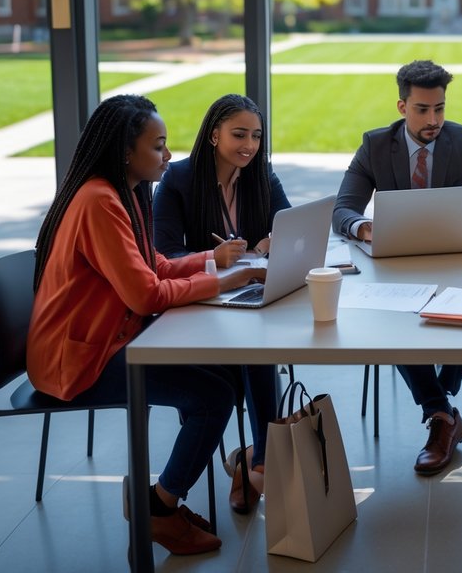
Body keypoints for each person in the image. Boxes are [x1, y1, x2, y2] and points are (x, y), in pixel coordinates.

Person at [27, 95, 267, 556]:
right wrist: (223, 280)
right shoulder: (99, 200)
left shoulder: (124, 192)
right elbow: (146, 294)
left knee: (225, 375)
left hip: (109, 340)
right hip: (79, 361)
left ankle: (161, 502)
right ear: (125, 151)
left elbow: (152, 265)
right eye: (158, 146)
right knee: (212, 396)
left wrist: (212, 265)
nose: (168, 156)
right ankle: (158, 508)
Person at [332, 59, 462, 475]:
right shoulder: (375, 145)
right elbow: (342, 210)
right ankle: (444, 414)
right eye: (423, 109)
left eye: (440, 108)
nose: (434, 120)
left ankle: (439, 408)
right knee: (396, 326)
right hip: (397, 268)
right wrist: (363, 227)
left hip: (456, 264)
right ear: (401, 106)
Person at [153, 93, 291, 514]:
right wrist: (215, 258)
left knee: (258, 343)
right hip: (195, 305)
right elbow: (164, 256)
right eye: (238, 134)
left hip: (243, 298)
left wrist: (273, 240)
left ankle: (259, 460)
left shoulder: (261, 178)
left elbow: (291, 225)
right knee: (257, 351)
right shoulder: (177, 181)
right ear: (214, 134)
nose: (249, 145)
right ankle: (261, 462)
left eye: (255, 136)